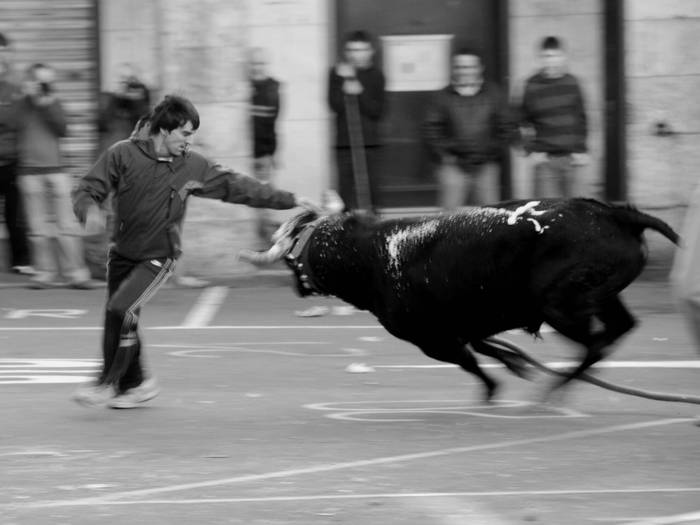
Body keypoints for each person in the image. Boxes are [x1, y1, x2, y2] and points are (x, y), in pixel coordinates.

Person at [71, 94, 314, 409]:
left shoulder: (193, 165)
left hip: (160, 256)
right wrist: (88, 210)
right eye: (185, 133)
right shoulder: (122, 155)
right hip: (122, 252)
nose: (190, 141)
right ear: (165, 129)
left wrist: (291, 199)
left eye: (192, 135)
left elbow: (239, 187)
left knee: (122, 308)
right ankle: (136, 384)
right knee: (119, 315)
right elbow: (88, 187)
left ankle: (106, 382)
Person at [16, 63, 102, 289]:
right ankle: (44, 274)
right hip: (29, 171)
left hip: (57, 170)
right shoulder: (21, 105)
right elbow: (15, 124)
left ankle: (77, 275)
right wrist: (30, 98)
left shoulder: (54, 103)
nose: (45, 86)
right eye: (41, 82)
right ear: (30, 81)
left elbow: (63, 129)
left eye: (49, 82)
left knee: (67, 225)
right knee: (37, 228)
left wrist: (47, 104)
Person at [423, 47, 516, 209]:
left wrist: (491, 153)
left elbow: (507, 127)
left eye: (470, 67)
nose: (465, 71)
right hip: (453, 166)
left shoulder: (494, 94)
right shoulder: (441, 97)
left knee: (490, 219)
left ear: (480, 68)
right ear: (454, 69)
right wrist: (446, 156)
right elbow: (431, 130)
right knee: (448, 222)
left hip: (486, 166)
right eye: (460, 67)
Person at [520, 36, 589, 198]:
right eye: (546, 57)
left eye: (555, 56)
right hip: (545, 162)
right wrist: (530, 150)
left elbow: (581, 120)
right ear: (540, 59)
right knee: (546, 214)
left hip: (572, 160)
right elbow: (520, 121)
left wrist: (582, 150)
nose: (551, 61)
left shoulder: (573, 83)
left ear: (563, 57)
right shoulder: (531, 85)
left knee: (575, 213)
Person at [328, 30, 386, 212]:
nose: (356, 55)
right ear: (346, 52)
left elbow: (377, 111)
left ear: (370, 51)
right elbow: (334, 105)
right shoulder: (336, 73)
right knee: (345, 196)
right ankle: (346, 235)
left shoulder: (377, 75)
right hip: (344, 143)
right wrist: (345, 84)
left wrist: (359, 90)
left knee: (372, 195)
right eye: (352, 50)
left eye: (361, 50)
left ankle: (375, 233)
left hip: (370, 144)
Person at [0, 32, 33, 275]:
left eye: (4, 51)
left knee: (16, 216)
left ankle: (20, 261)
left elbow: (18, 121)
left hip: (12, 160)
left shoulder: (15, 88)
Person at [249, 47, 281, 248]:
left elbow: (272, 122)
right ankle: (258, 238)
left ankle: (267, 241)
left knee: (264, 198)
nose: (257, 68)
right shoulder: (244, 88)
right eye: (254, 64)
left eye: (260, 63)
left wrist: (271, 152)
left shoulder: (271, 87)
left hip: (263, 151)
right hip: (245, 152)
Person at [96, 62, 150, 154]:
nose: (126, 86)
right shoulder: (110, 101)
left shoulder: (141, 101)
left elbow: (144, 122)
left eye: (130, 81)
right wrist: (117, 97)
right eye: (123, 81)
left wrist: (137, 98)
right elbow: (102, 125)